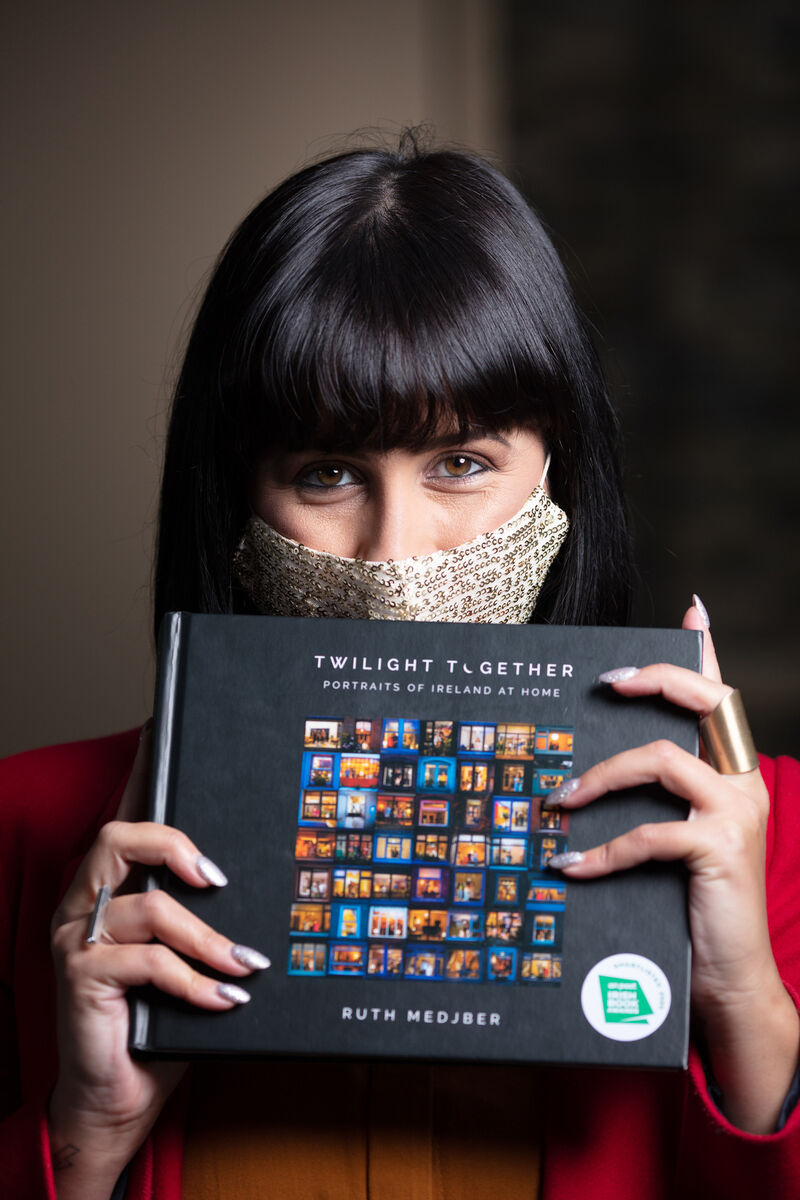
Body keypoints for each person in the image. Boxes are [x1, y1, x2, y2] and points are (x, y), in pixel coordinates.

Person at [2, 137, 799, 1200]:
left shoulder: (772, 842)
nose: (393, 556)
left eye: (461, 463)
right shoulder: (28, 830)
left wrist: (743, 1001)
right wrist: (82, 1139)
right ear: (236, 494)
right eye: (325, 472)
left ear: (560, 468)